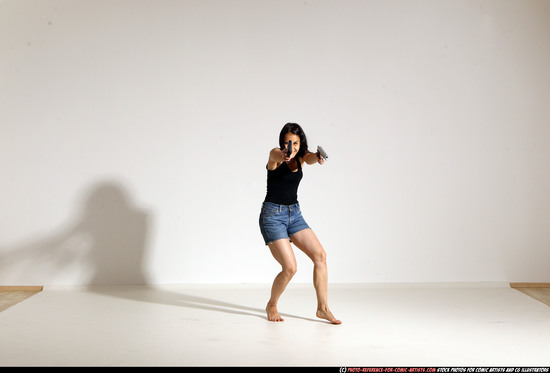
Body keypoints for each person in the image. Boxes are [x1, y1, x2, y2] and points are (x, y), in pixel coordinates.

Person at [259, 123, 341, 324]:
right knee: (290, 268)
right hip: (272, 216)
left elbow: (310, 158)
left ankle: (322, 309)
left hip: (294, 214)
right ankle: (272, 304)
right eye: (288, 142)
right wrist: (285, 154)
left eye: (295, 143)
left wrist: (319, 157)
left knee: (320, 256)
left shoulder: (302, 157)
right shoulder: (275, 155)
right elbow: (277, 156)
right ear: (282, 142)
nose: (292, 147)